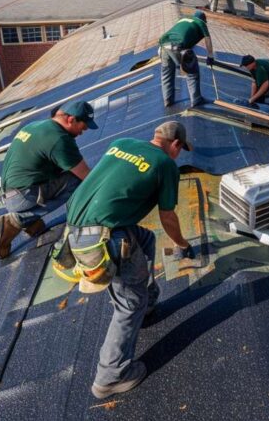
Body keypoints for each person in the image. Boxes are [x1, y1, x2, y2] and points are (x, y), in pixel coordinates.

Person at [65, 121, 196, 399]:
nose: (178, 154)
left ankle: (147, 304)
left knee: (145, 239)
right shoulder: (165, 164)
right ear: (174, 144)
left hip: (75, 230)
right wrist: (183, 244)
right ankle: (111, 375)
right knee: (129, 303)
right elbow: (168, 216)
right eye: (180, 149)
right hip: (104, 239)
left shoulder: (121, 144)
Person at [0, 100, 96, 260]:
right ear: (71, 119)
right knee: (77, 181)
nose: (83, 131)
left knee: (64, 173)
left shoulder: (35, 126)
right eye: (83, 126)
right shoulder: (58, 139)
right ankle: (19, 220)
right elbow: (87, 177)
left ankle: (31, 222)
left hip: (8, 194)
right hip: (22, 197)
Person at [159, 10, 215, 107]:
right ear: (203, 20)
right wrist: (210, 56)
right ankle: (196, 99)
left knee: (167, 74)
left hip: (163, 46)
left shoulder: (183, 19)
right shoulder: (201, 23)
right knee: (192, 71)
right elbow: (207, 39)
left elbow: (179, 33)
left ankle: (167, 100)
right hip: (178, 46)